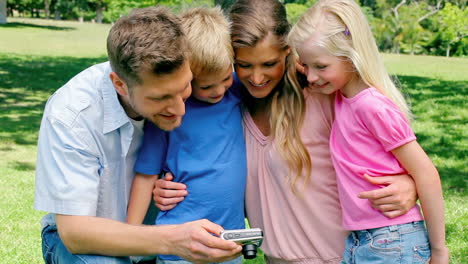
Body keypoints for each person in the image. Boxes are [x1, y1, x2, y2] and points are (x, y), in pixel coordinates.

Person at [153, 1, 419, 263]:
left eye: (269, 64)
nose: (256, 78)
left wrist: (411, 184)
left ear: (288, 52)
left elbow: (390, 142)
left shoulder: (321, 96)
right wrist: (163, 185)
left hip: (340, 256)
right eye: (244, 65)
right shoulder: (226, 103)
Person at [33, 6, 242, 264]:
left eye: (185, 86)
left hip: (157, 231)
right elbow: (75, 233)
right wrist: (174, 239)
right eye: (161, 98)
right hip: (88, 239)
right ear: (119, 84)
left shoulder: (200, 93)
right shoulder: (71, 115)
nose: (180, 109)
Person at [288, 0, 449, 263]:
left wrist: (440, 250)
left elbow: (426, 173)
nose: (311, 77)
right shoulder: (342, 95)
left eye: (320, 67)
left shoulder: (371, 106)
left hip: (393, 238)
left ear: (351, 56)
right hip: (362, 239)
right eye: (306, 66)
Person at [126, 7, 246, 264]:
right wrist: (130, 239)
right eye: (205, 86)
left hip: (229, 242)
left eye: (225, 78)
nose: (218, 91)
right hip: (179, 246)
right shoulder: (168, 115)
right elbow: (146, 176)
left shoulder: (236, 90)